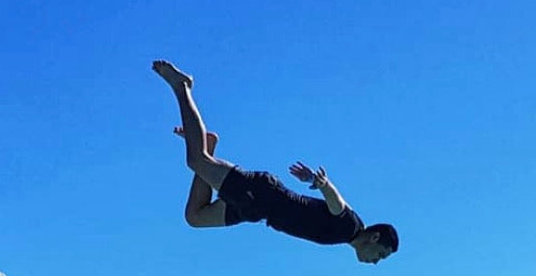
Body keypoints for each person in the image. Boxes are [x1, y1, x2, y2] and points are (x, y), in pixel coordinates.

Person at [152, 60, 399, 264]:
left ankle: (208, 143)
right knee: (196, 159)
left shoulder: (348, 233)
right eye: (380, 255)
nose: (376, 261)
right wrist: (320, 183)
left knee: (195, 217)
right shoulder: (349, 227)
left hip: (258, 210)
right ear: (374, 238)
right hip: (262, 195)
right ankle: (181, 86)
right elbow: (337, 204)